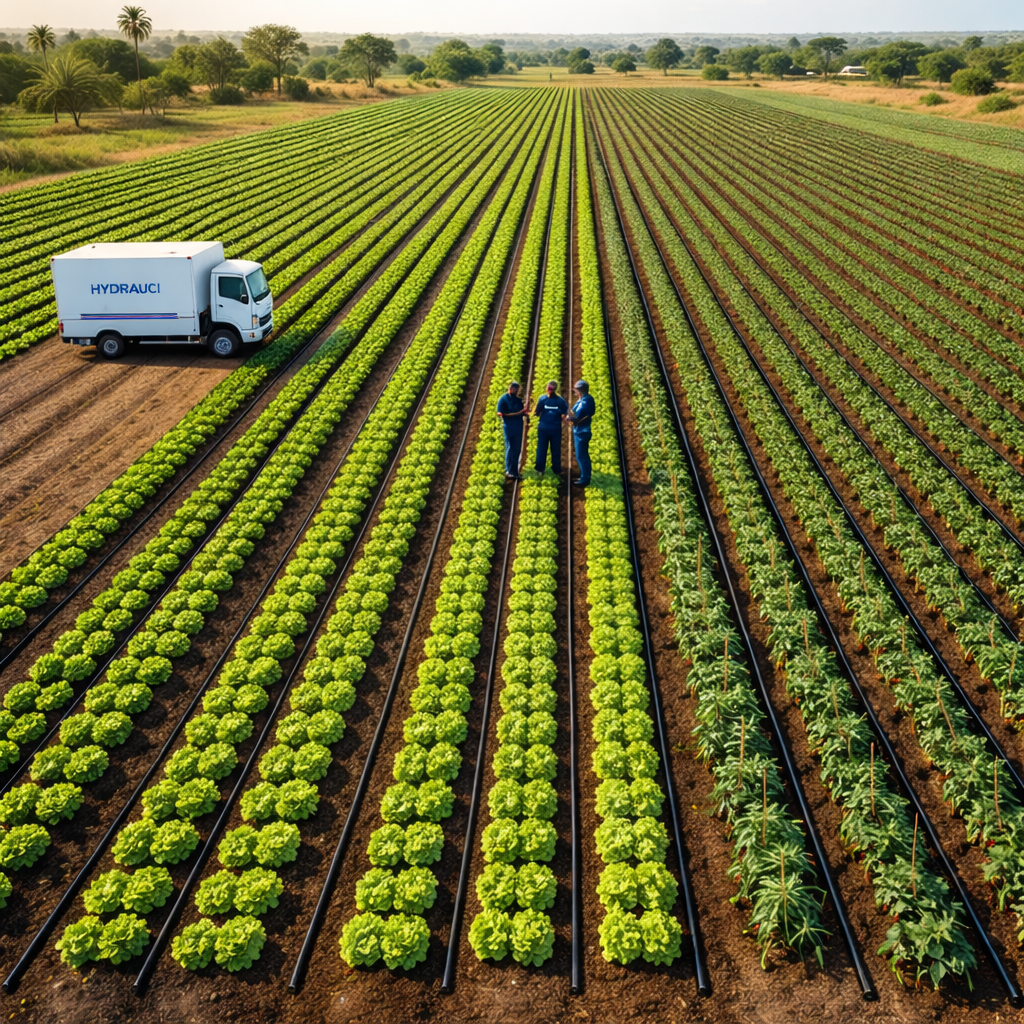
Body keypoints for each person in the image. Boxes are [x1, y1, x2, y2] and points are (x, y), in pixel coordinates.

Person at [533, 380, 569, 476]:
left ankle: (548, 469)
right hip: (548, 428)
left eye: (550, 389)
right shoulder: (547, 399)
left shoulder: (556, 400)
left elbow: (536, 413)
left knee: (549, 449)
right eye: (549, 388)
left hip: (551, 429)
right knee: (548, 449)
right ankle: (548, 469)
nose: (549, 390)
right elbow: (537, 412)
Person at [496, 380, 528, 479]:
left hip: (518, 427)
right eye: (514, 388)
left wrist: (526, 415)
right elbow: (500, 413)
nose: (515, 390)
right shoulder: (503, 399)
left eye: (516, 389)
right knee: (510, 448)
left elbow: (523, 412)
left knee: (517, 449)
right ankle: (509, 470)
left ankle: (515, 471)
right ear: (510, 388)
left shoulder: (518, 400)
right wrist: (517, 413)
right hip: (509, 427)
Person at [567, 379, 595, 487]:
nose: (575, 392)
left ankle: (585, 479)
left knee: (581, 455)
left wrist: (570, 418)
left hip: (581, 431)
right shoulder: (586, 399)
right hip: (581, 430)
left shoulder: (585, 401)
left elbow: (577, 416)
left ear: (580, 391)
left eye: (576, 390)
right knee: (582, 455)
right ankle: (584, 476)